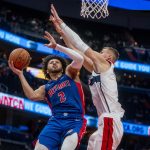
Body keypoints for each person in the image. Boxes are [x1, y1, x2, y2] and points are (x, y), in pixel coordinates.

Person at [50, 4, 125, 150]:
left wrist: (62, 23)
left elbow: (81, 43)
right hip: (105, 121)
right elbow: (76, 51)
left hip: (110, 120)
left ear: (108, 57)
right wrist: (61, 35)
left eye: (102, 51)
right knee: (92, 140)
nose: (98, 52)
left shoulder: (105, 64)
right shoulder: (97, 69)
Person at [8, 31, 87, 150]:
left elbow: (80, 59)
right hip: (55, 120)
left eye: (57, 62)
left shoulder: (70, 74)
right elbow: (32, 96)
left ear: (62, 67)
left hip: (74, 119)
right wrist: (20, 74)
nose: (54, 62)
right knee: (39, 148)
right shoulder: (46, 87)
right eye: (51, 62)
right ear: (47, 70)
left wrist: (57, 46)